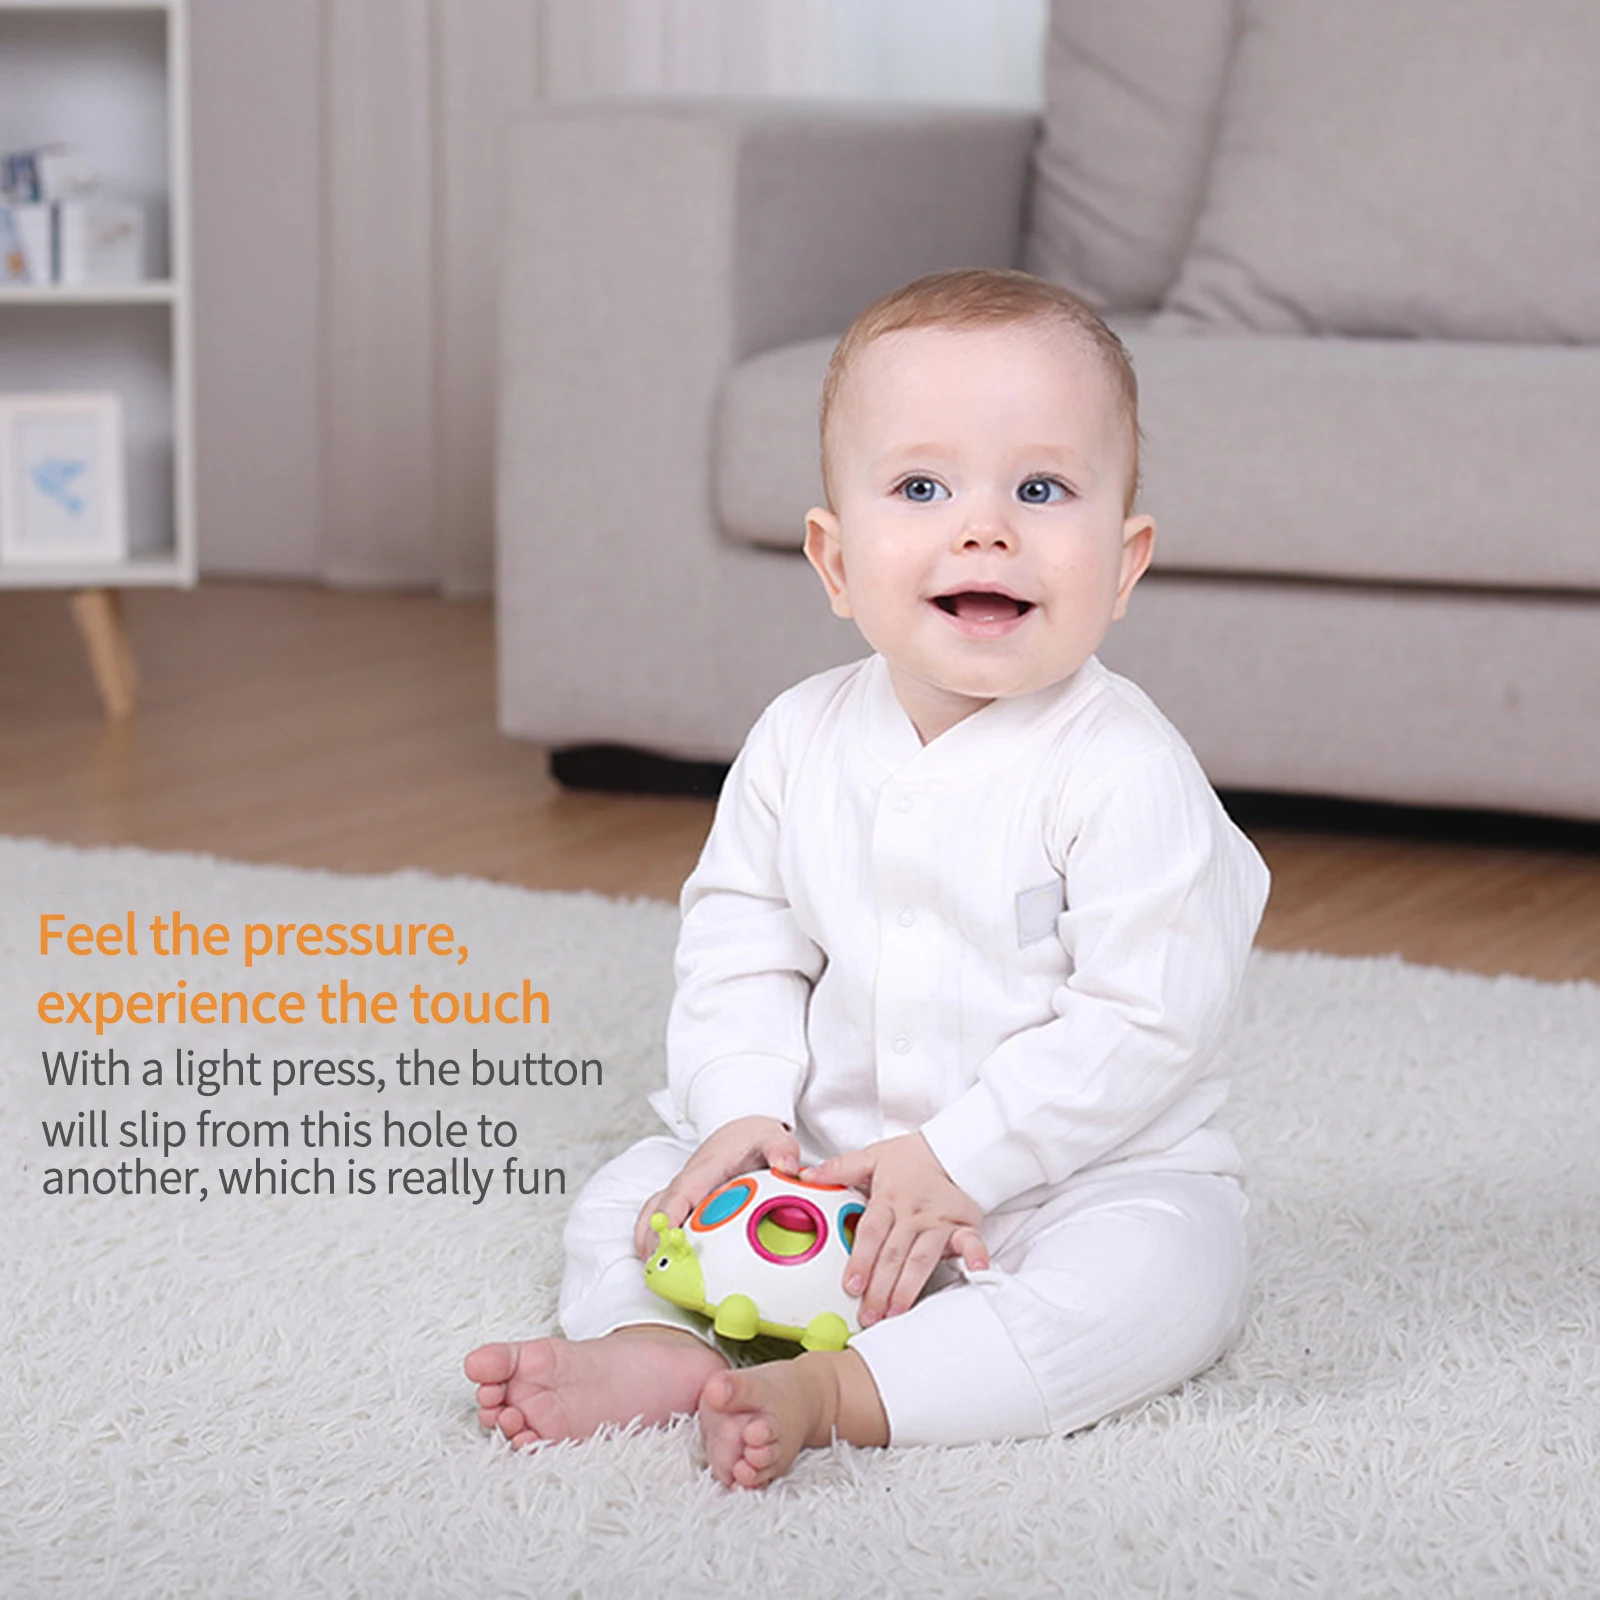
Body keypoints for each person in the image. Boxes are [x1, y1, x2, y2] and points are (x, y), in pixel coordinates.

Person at [466, 267, 1270, 1489]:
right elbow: (741, 942)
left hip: (1066, 1181)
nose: (983, 529)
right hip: (819, 1170)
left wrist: (965, 1159)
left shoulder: (1125, 770)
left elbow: (1149, 1014)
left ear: (1122, 561)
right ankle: (652, 1348)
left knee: (1170, 1278)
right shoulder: (798, 738)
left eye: (1040, 489)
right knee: (632, 1198)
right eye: (921, 487)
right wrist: (743, 1111)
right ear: (835, 561)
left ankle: (842, 1389)